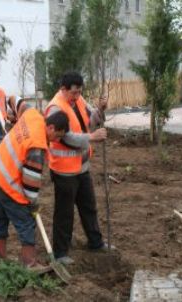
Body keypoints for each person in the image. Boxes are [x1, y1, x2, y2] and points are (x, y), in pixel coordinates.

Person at [0, 106, 69, 270]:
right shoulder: (37, 145)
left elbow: (18, 102)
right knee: (26, 221)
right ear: (51, 127)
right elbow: (30, 180)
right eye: (57, 136)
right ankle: (30, 263)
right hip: (7, 180)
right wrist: (32, 203)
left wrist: (12, 115)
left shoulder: (33, 114)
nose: (56, 141)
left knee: (1, 216)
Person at [44, 72, 109, 265]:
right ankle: (60, 253)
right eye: (74, 93)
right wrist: (92, 137)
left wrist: (99, 110)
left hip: (81, 167)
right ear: (63, 89)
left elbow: (89, 122)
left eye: (80, 92)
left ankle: (96, 243)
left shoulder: (78, 101)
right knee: (64, 213)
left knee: (89, 207)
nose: (77, 96)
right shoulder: (55, 108)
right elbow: (67, 137)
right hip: (64, 170)